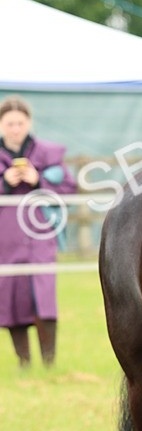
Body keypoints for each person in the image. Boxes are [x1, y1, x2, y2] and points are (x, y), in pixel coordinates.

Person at [0, 97, 75, 367]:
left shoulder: (47, 153)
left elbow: (68, 188)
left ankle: (49, 363)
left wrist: (38, 181)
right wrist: (5, 183)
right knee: (11, 295)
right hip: (5, 238)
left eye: (20, 123)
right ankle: (24, 362)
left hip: (39, 234)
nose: (15, 128)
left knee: (43, 295)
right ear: (1, 125)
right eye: (10, 123)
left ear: (28, 123)